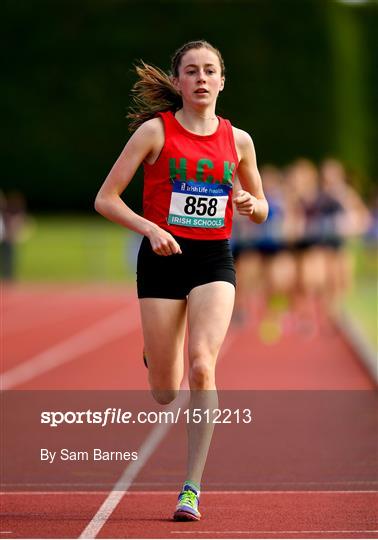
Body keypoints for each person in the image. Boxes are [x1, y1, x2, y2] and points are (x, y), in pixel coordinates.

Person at [94, 40, 268, 521]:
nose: (201, 79)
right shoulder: (155, 132)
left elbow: (261, 202)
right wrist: (150, 228)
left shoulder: (239, 140)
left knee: (202, 366)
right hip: (162, 261)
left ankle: (191, 486)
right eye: (191, 71)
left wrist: (254, 206)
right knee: (165, 389)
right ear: (178, 82)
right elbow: (106, 199)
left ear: (222, 80)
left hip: (214, 260)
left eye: (210, 70)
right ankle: (156, 354)